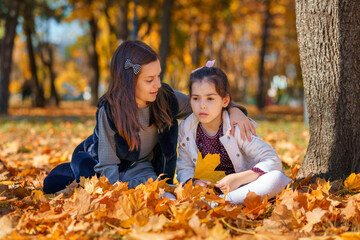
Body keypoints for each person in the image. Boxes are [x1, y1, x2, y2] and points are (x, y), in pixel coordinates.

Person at [42, 41, 255, 194]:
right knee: (57, 183)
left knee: (159, 193)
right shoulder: (110, 110)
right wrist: (116, 194)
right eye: (149, 79)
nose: (158, 84)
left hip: (145, 168)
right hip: (103, 162)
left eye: (159, 76)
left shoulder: (165, 98)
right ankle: (69, 173)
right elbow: (107, 164)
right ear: (128, 81)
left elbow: (205, 105)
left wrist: (234, 110)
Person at [176, 62, 291, 204]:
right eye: (196, 98)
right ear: (190, 100)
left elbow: (272, 160)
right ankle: (211, 202)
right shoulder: (186, 129)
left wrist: (239, 178)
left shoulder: (236, 126)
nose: (202, 105)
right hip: (205, 192)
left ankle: (220, 203)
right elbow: (184, 167)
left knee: (276, 179)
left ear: (225, 101)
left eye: (210, 98)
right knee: (166, 193)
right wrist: (194, 183)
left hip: (241, 189)